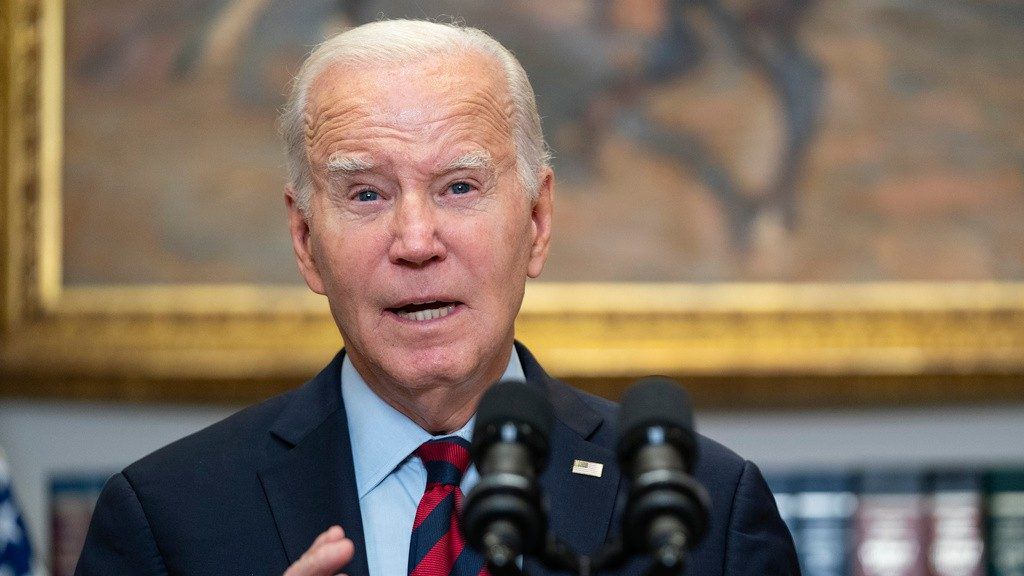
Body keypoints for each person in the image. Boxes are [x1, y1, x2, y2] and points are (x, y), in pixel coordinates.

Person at [75, 19, 799, 576]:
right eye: (365, 193)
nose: (416, 240)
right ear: (304, 239)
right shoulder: (166, 518)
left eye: (459, 187)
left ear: (538, 223)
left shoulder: (711, 506)